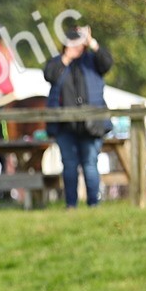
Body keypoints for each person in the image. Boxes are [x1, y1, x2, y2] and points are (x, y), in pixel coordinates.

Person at [43, 26, 114, 208]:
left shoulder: (92, 61)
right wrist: (66, 57)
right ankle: (71, 205)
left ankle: (93, 204)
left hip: (91, 125)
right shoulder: (58, 64)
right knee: (69, 165)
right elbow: (49, 75)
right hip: (65, 125)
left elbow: (107, 63)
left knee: (90, 164)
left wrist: (92, 42)